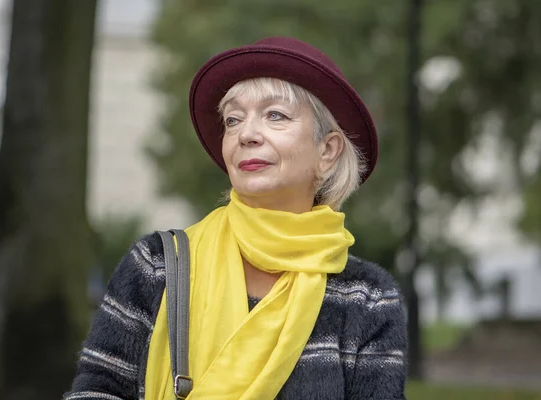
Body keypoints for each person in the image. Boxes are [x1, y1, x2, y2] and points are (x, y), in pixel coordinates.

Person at [65, 36, 407, 400]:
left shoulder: (367, 298)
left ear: (327, 151)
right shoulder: (156, 266)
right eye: (233, 120)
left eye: (275, 115)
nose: (246, 134)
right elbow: (96, 391)